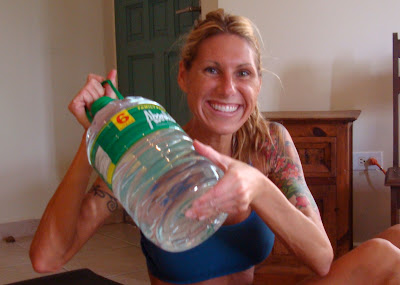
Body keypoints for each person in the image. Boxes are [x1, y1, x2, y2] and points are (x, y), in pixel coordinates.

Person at [30, 9, 400, 285]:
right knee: (383, 255)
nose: (227, 89)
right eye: (211, 70)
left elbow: (321, 257)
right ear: (183, 76)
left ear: (258, 84)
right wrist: (96, 135)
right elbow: (47, 259)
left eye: (243, 73)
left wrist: (257, 186)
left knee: (395, 239)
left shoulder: (269, 142)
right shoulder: (150, 153)